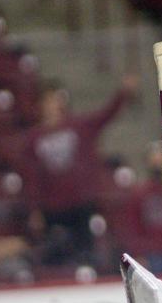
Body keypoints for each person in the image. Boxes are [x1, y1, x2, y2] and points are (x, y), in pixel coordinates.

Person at [24, 78, 136, 267]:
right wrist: (35, 209)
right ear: (41, 104)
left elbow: (104, 116)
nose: (53, 104)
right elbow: (32, 176)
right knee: (57, 254)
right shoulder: (34, 138)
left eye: (56, 99)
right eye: (49, 100)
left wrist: (122, 94)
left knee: (86, 252)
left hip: (81, 204)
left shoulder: (78, 126)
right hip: (52, 207)